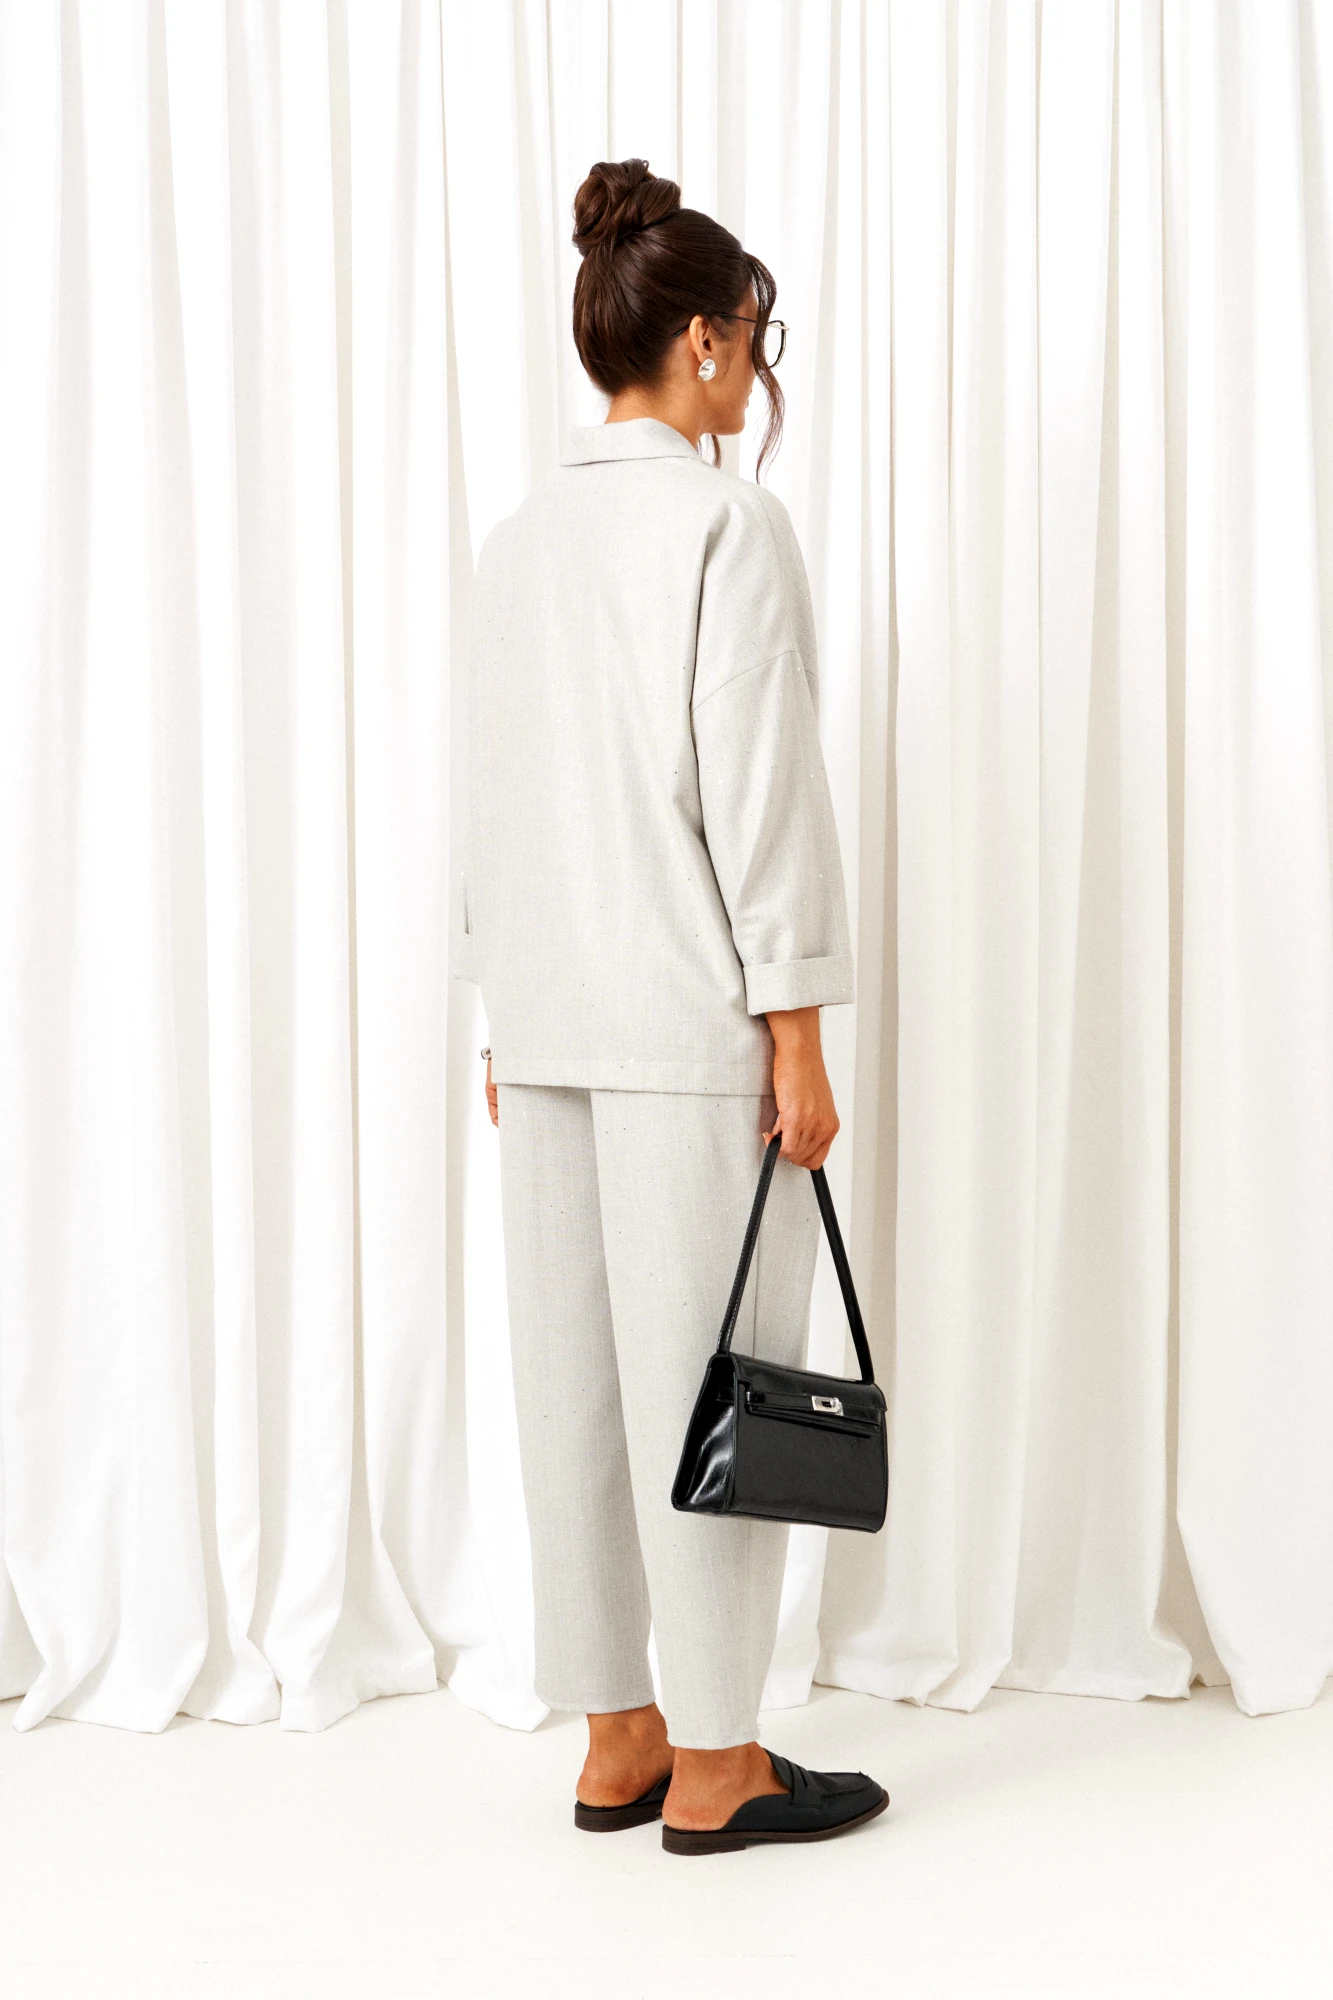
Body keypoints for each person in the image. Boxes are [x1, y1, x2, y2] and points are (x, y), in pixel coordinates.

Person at [452, 156, 887, 1856]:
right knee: (715, 1393)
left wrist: (500, 1008)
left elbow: (495, 795)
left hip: (549, 1024)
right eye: (756, 341)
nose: (757, 374)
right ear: (704, 339)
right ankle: (717, 1757)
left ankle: (615, 1736)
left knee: (571, 1390)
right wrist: (800, 1027)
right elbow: (757, 794)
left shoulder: (516, 543)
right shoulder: (722, 525)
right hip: (690, 1030)